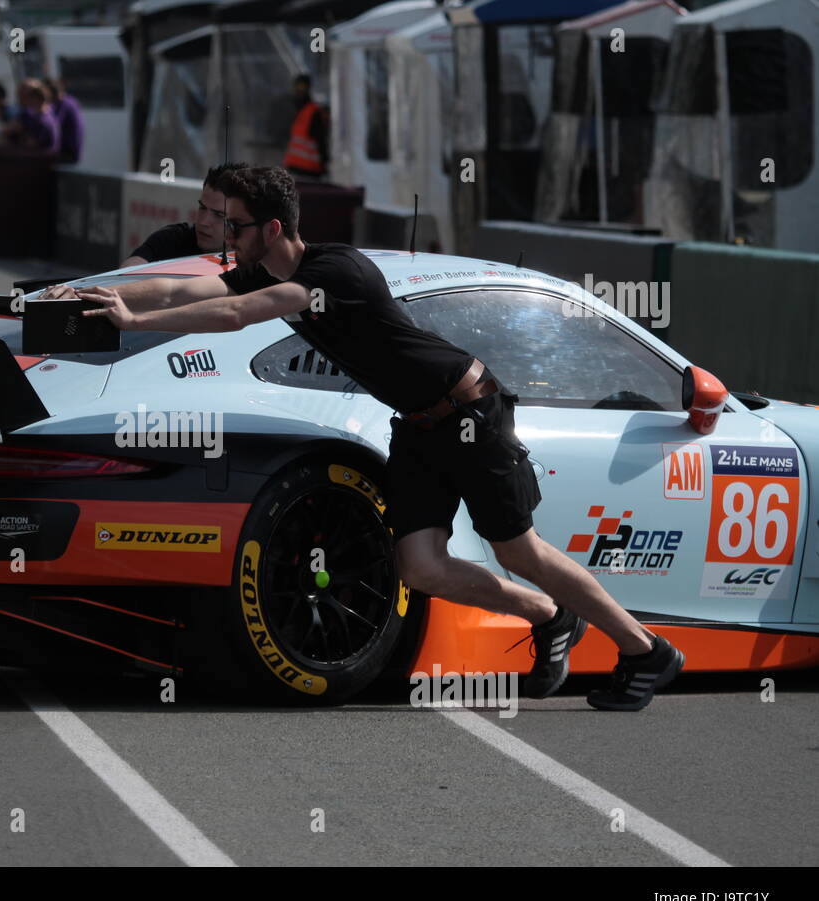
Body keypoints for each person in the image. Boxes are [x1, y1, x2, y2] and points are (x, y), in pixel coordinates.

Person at [50, 166, 686, 711]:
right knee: (422, 567)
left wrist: (137, 322)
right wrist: (80, 293)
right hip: (417, 424)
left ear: (272, 229)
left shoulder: (334, 274)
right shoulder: (266, 272)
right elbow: (182, 284)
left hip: (469, 411)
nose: (224, 236)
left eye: (235, 226)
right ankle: (550, 617)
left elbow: (236, 314)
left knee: (520, 551)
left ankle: (646, 650)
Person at [120, 161, 248, 267]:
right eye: (202, 208)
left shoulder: (256, 260)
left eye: (219, 215)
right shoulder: (174, 239)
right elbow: (130, 268)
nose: (203, 222)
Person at [283, 74, 328, 180]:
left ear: (308, 89)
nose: (299, 91)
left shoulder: (313, 112)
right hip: (295, 169)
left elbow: (320, 141)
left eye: (303, 87)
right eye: (297, 87)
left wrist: (324, 163)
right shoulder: (297, 110)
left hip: (310, 172)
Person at [42, 76, 84, 164]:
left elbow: (50, 125)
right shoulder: (70, 101)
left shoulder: (63, 104)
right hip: (70, 153)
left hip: (67, 154)